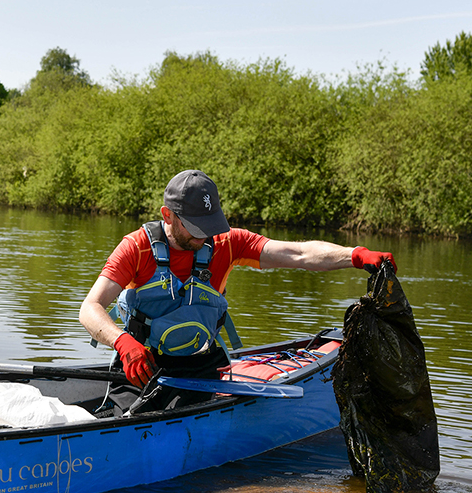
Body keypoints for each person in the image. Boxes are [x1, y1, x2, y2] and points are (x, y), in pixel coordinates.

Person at [79, 169, 395, 414]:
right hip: (141, 368)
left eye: (209, 225)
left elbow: (298, 254)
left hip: (201, 367)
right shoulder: (137, 248)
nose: (205, 236)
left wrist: (355, 256)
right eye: (195, 227)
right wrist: (123, 343)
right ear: (167, 215)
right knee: (122, 418)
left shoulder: (228, 242)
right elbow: (90, 307)